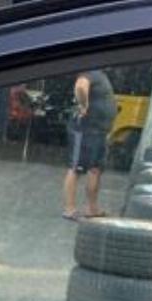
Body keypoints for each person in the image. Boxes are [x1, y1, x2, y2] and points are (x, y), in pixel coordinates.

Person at [62, 69, 117, 220]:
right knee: (76, 168)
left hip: (99, 131)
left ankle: (92, 209)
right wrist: (84, 105)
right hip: (85, 129)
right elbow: (80, 86)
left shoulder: (100, 74)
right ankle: (70, 209)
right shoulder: (91, 71)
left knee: (95, 169)